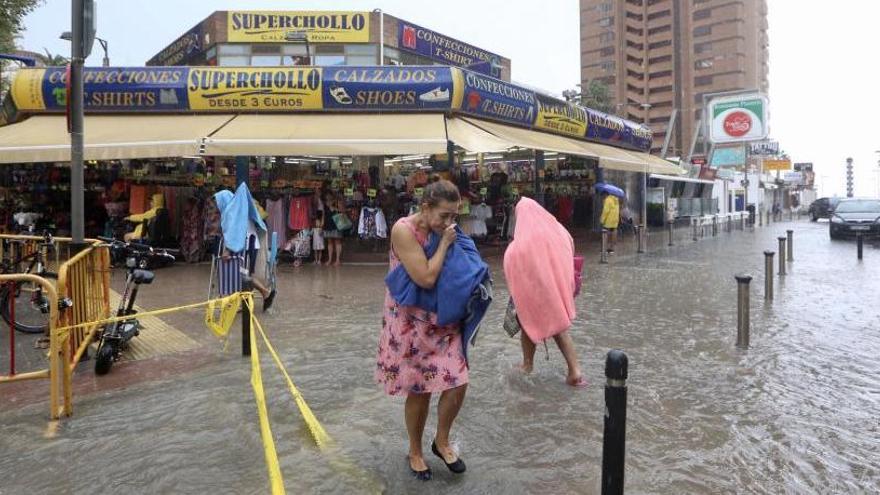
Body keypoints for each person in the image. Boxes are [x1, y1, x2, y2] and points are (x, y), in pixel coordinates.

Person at [375, 179, 469, 481]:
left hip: (442, 318)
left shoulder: (444, 228)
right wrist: (443, 244)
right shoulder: (404, 230)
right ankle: (415, 451)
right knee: (420, 390)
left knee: (459, 380)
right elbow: (426, 278)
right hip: (411, 323)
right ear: (425, 207)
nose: (449, 222)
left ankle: (441, 441)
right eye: (444, 215)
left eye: (454, 216)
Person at [503, 197, 585, 388]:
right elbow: (570, 250)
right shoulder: (559, 232)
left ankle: (531, 365)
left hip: (531, 293)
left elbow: (510, 266)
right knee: (557, 327)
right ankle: (571, 369)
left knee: (529, 323)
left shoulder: (519, 245)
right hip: (555, 289)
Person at [214, 187, 276, 312]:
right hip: (250, 245)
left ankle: (265, 292)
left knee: (243, 274)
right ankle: (245, 302)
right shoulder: (237, 210)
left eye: (218, 202)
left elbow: (233, 232)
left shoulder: (231, 212)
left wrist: (227, 249)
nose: (217, 205)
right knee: (244, 273)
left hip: (248, 246)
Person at [322, 192, 344, 266]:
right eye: (327, 199)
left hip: (336, 225)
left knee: (337, 242)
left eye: (329, 198)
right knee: (329, 242)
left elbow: (342, 212)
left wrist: (334, 207)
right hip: (328, 225)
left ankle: (338, 260)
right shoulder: (325, 205)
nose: (328, 200)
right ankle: (330, 259)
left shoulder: (337, 203)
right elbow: (323, 215)